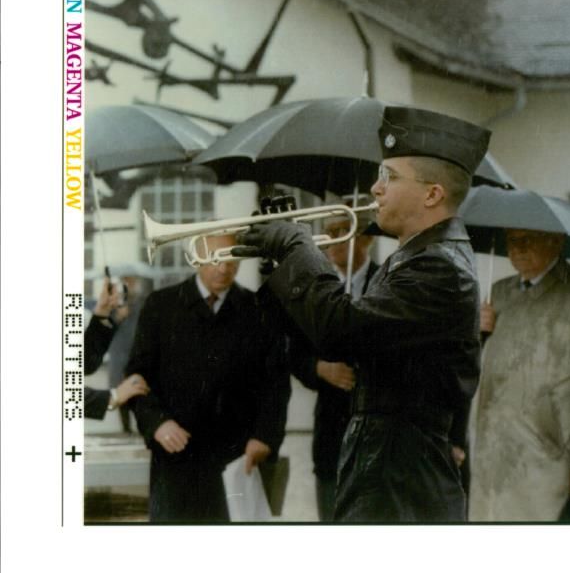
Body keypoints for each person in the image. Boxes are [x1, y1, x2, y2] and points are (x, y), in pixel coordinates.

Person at [250, 105, 489, 523]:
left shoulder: (438, 268)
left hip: (401, 477)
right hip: (388, 467)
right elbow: (324, 327)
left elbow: (340, 330)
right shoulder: (416, 258)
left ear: (432, 194)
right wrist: (279, 265)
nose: (375, 190)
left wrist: (298, 249)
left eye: (389, 177)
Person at [126, 232, 291, 523]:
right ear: (195, 260)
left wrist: (265, 437)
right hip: (175, 458)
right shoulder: (160, 306)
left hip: (237, 459)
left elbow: (276, 384)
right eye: (215, 259)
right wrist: (157, 422)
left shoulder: (259, 310)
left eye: (231, 259)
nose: (224, 268)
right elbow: (137, 377)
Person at [468, 229, 570, 522]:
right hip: (495, 458)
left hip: (551, 460)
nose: (519, 247)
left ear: (556, 241)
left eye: (529, 239)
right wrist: (478, 334)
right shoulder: (499, 293)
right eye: (513, 240)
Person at [289, 209, 379, 522]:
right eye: (329, 232)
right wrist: (320, 368)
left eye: (344, 229)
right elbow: (294, 353)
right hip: (331, 435)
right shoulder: (316, 289)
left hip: (378, 435)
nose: (335, 240)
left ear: (366, 237)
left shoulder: (388, 282)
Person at [85, 276, 149, 420]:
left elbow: (85, 363)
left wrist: (101, 314)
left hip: (135, 352)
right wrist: (112, 396)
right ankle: (126, 426)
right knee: (122, 387)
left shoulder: (142, 302)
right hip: (119, 353)